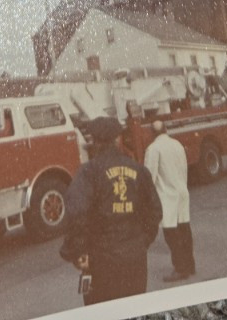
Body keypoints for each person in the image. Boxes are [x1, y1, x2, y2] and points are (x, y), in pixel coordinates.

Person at [59, 117, 160, 306]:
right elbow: (154, 211)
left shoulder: (88, 172)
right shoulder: (138, 170)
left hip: (101, 263)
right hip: (135, 261)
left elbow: (76, 214)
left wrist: (79, 251)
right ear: (118, 139)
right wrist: (141, 242)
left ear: (94, 142)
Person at [141, 121, 195, 283]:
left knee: (171, 234)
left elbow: (149, 176)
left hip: (166, 195)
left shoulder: (153, 149)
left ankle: (180, 268)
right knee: (185, 229)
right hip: (181, 192)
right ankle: (190, 264)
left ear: (152, 133)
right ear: (166, 130)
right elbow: (184, 167)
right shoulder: (177, 144)